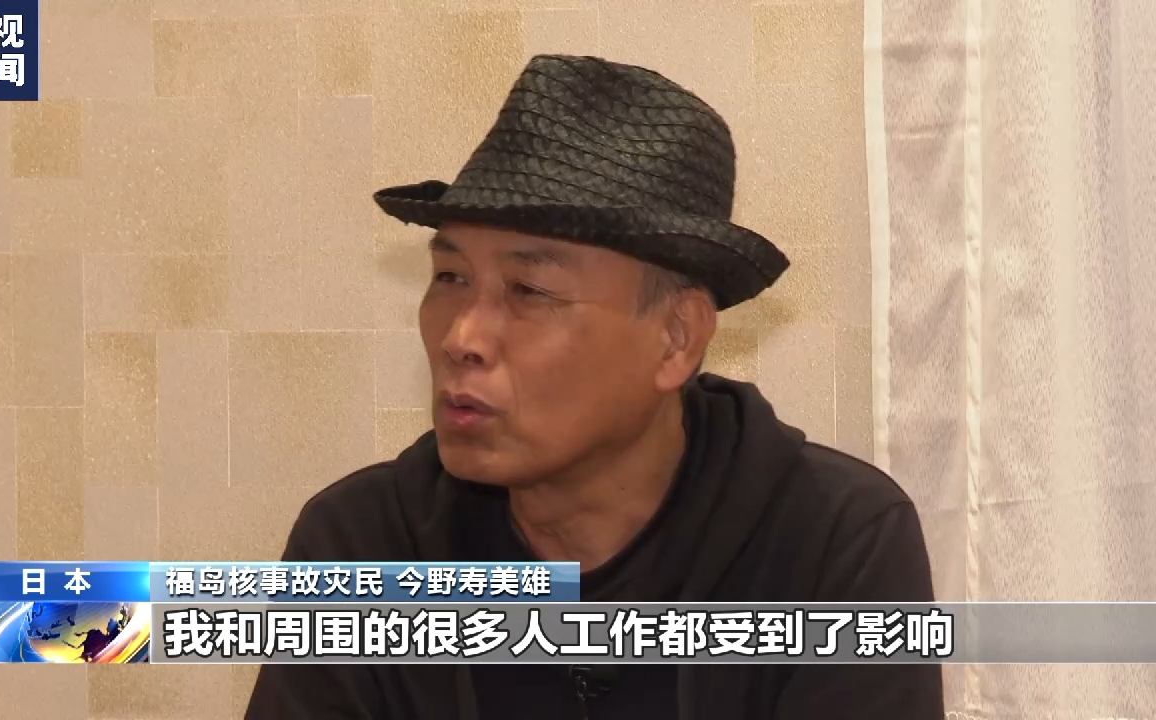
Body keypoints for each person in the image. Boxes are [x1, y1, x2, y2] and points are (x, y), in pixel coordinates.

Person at [246, 54, 943, 720]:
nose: (461, 337)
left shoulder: (830, 544)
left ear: (676, 338)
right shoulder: (360, 549)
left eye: (529, 289)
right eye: (450, 277)